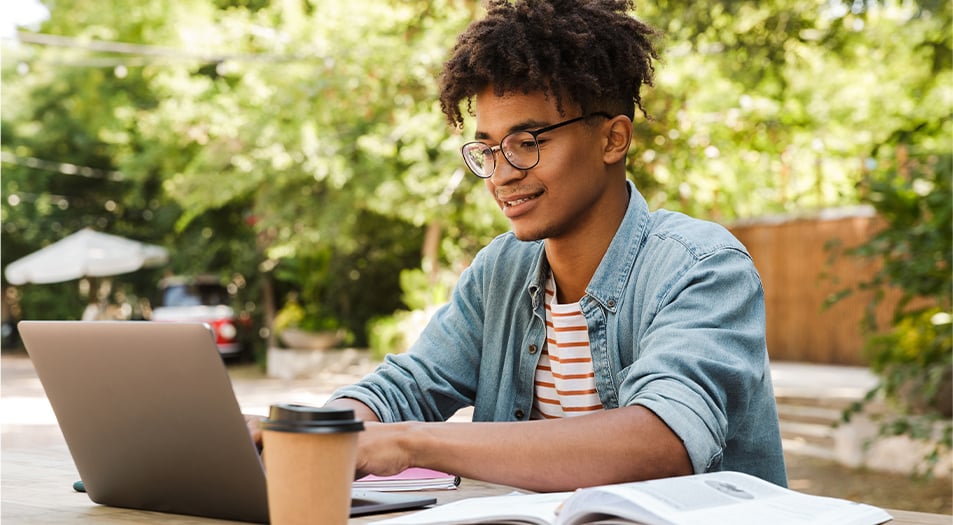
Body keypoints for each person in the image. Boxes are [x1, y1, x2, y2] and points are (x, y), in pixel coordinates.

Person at [254, 0, 787, 492]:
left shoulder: (703, 267)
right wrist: (308, 433)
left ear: (612, 139)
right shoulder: (501, 272)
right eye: (487, 149)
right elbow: (408, 386)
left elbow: (661, 442)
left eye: (528, 143)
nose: (502, 174)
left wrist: (413, 443)